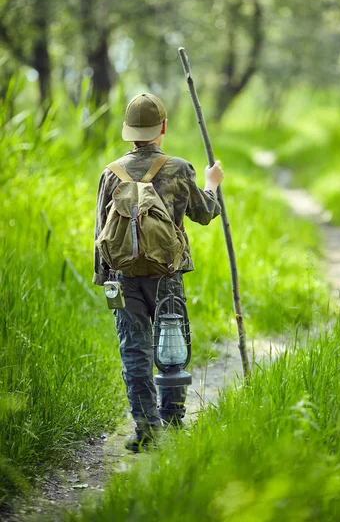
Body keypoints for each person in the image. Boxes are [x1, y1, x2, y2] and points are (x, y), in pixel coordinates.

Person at [93, 93, 223, 452]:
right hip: (168, 275)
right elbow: (205, 213)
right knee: (171, 345)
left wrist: (106, 281)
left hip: (124, 277)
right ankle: (174, 419)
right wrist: (213, 182)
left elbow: (100, 231)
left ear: (128, 131)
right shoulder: (179, 168)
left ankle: (147, 430)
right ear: (162, 127)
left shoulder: (110, 172)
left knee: (133, 351)